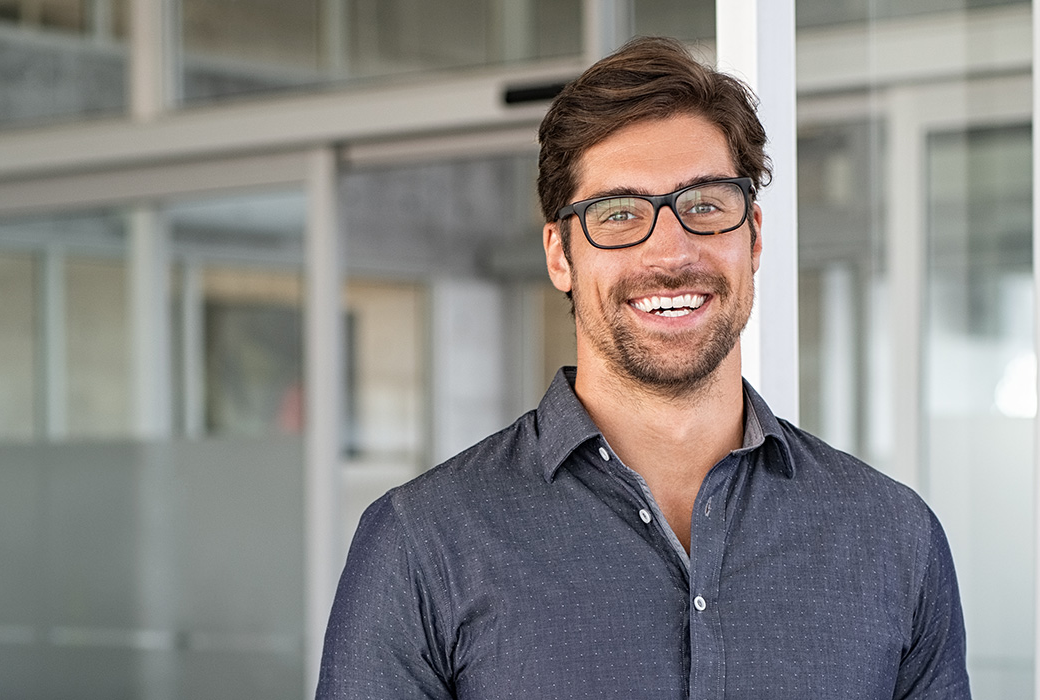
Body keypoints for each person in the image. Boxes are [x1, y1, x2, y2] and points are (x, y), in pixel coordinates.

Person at [315, 36, 970, 700]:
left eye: (705, 205)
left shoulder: (894, 538)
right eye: (620, 214)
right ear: (560, 255)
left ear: (754, 236)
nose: (671, 252)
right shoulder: (423, 544)